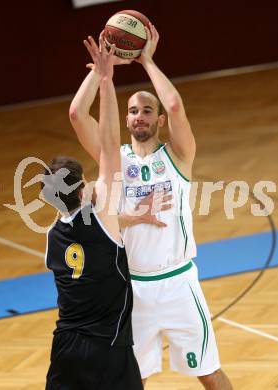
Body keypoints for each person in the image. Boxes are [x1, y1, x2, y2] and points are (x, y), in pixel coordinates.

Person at [69, 23, 233, 389]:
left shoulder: (179, 156)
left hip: (178, 283)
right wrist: (99, 74)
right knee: (131, 380)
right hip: (134, 288)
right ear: (125, 119)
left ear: (158, 120)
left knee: (209, 373)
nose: (139, 116)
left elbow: (174, 103)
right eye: (132, 111)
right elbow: (78, 115)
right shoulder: (113, 159)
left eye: (146, 110)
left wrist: (147, 61)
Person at [43, 35, 143, 390]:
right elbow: (111, 142)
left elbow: (74, 113)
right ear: (84, 187)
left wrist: (102, 72)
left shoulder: (52, 235)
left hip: (65, 346)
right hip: (108, 346)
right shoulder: (102, 215)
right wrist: (106, 80)